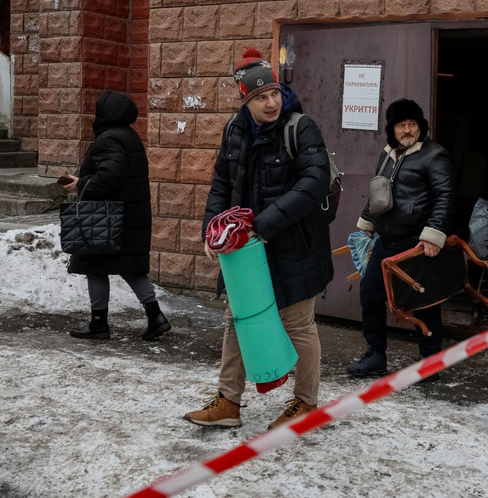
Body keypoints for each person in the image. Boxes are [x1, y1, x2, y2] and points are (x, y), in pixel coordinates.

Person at [184, 48, 333, 430]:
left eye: (274, 93)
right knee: (238, 320)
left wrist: (261, 225)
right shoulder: (234, 131)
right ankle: (228, 402)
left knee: (298, 324)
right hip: (246, 249)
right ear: (245, 99)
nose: (271, 102)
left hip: (295, 245)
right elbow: (221, 184)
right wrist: (211, 229)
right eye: (260, 96)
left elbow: (314, 183)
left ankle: (306, 403)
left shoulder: (300, 128)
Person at [347, 98, 456, 378]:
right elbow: (378, 193)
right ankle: (375, 355)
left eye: (412, 124)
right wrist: (366, 224)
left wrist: (433, 236)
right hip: (386, 243)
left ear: (421, 126)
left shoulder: (435, 156)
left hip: (416, 245)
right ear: (392, 129)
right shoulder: (387, 155)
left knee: (424, 303)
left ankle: (430, 363)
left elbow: (445, 197)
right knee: (370, 294)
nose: (407, 130)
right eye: (401, 125)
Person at [63, 90, 171, 342]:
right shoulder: (129, 136)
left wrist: (82, 183)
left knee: (94, 265)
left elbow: (110, 177)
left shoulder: (109, 139)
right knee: (129, 267)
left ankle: (98, 324)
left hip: (106, 218)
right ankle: (156, 316)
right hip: (128, 216)